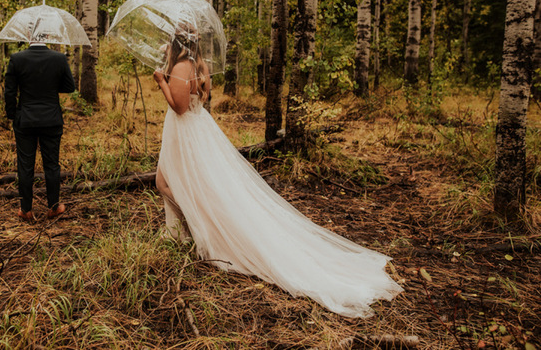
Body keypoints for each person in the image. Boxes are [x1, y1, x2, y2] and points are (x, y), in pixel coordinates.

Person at [152, 23, 403, 318]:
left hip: (186, 132)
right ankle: (189, 230)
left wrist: (161, 81)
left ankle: (198, 225)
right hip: (195, 132)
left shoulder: (182, 67)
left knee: (167, 183)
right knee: (179, 182)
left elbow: (179, 107)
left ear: (176, 42)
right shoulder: (196, 64)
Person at [4, 41, 76, 222]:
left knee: (25, 165)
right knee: (52, 164)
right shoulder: (59, 58)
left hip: (25, 119)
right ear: (48, 35)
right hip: (51, 119)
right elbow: (69, 87)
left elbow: (9, 91)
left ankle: (26, 209)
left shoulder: (17, 58)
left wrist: (12, 115)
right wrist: (50, 86)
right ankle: (53, 207)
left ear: (29, 35)